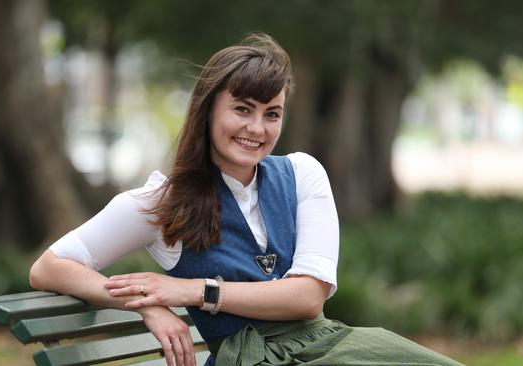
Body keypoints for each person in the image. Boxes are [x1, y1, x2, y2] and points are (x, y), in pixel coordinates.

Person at [29, 33, 463, 366]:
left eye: (271, 113)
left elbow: (308, 298)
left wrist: (194, 291)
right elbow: (50, 267)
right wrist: (149, 305)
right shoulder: (160, 203)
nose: (257, 128)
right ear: (208, 109)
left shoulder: (303, 175)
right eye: (242, 109)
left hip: (327, 345)